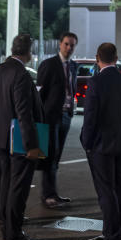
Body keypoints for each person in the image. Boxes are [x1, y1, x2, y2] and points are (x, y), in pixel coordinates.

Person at [0, 33, 46, 240]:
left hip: (0, 136)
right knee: (18, 188)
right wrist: (32, 145)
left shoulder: (0, 69)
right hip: (17, 138)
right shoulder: (21, 74)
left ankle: (5, 225)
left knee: (5, 182)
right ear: (28, 52)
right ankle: (14, 235)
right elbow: (23, 112)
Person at [80, 42, 121, 240]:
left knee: (105, 192)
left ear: (97, 58)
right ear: (116, 58)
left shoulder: (96, 82)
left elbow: (90, 117)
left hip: (101, 144)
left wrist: (87, 142)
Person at [36, 31, 78, 207]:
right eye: (66, 44)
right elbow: (40, 92)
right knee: (50, 156)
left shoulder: (74, 66)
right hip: (51, 116)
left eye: (72, 45)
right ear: (60, 44)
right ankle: (48, 195)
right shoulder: (49, 64)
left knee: (57, 155)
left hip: (66, 115)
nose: (69, 48)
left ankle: (53, 193)